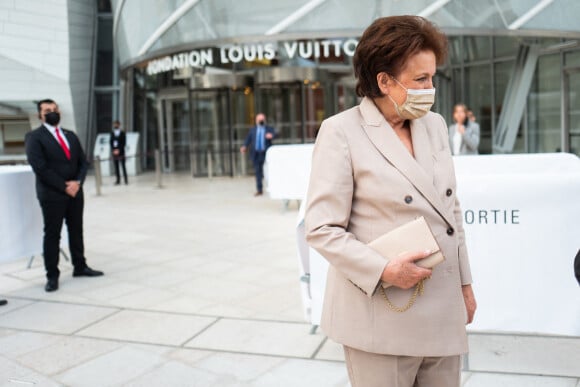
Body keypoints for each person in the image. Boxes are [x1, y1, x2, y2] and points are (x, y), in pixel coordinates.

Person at [305, 16, 476, 387]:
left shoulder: (433, 125)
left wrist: (464, 284)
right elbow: (321, 229)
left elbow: (451, 209)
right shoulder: (341, 132)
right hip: (382, 312)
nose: (430, 88)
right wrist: (384, 269)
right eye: (420, 80)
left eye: (432, 78)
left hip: (442, 308)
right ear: (384, 80)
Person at [25, 99, 104, 292]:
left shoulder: (70, 135)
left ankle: (80, 266)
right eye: (47, 110)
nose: (51, 113)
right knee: (53, 235)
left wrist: (77, 182)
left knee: (76, 230)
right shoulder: (34, 137)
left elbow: (83, 163)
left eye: (54, 109)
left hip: (75, 192)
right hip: (52, 194)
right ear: (40, 115)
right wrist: (63, 186)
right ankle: (52, 275)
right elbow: (40, 167)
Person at [240, 113, 276, 196]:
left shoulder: (268, 129)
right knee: (258, 172)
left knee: (268, 171)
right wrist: (244, 146)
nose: (261, 121)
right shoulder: (253, 130)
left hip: (266, 153)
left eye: (262, 119)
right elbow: (248, 140)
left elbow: (276, 134)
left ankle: (272, 187)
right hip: (256, 153)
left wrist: (272, 135)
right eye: (260, 120)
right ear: (256, 121)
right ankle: (259, 190)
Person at [110, 120, 128, 185]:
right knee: (116, 166)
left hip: (121, 152)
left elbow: (124, 143)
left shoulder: (122, 133)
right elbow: (111, 142)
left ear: (119, 125)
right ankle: (118, 180)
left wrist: (119, 150)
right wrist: (113, 150)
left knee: (123, 166)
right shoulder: (112, 133)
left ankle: (126, 179)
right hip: (115, 151)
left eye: (116, 124)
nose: (115, 125)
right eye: (114, 124)